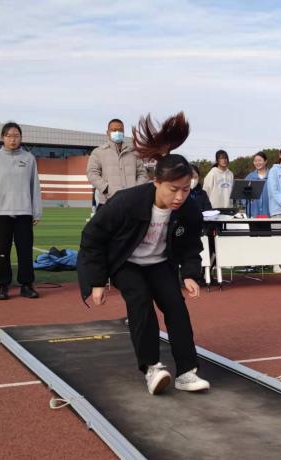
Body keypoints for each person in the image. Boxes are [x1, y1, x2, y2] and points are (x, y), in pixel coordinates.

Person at [78, 111, 210, 395]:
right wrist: (97, 281)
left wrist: (190, 274)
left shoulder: (189, 209)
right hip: (126, 262)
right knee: (140, 303)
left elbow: (190, 244)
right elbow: (92, 237)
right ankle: (152, 368)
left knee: (175, 307)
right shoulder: (126, 202)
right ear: (156, 182)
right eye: (173, 189)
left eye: (186, 189)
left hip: (159, 263)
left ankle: (186, 372)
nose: (180, 196)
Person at [0, 122, 42, 300]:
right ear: (2, 137)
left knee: (25, 251)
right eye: (9, 136)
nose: (13, 139)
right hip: (1, 213)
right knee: (1, 251)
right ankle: (3, 286)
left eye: (16, 136)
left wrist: (36, 211)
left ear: (21, 138)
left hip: (24, 212)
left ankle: (26, 285)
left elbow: (35, 186)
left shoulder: (29, 158)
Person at [86, 118, 147, 208]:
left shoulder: (133, 153)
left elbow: (143, 174)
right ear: (108, 133)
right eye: (114, 130)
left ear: (123, 132)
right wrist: (106, 189)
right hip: (108, 202)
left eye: (120, 130)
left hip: (131, 202)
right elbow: (92, 173)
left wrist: (136, 189)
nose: (117, 132)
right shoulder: (99, 152)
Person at [243, 151, 270, 218]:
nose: (257, 163)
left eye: (260, 160)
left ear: (265, 161)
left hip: (269, 214)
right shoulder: (249, 177)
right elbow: (242, 194)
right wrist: (248, 204)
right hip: (253, 215)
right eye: (255, 161)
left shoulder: (272, 175)